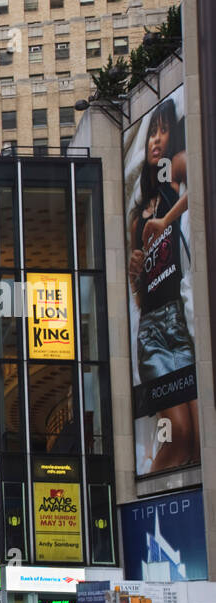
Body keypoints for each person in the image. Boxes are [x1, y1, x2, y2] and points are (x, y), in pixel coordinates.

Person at [127, 98, 196, 474]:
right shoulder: (137, 215)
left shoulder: (174, 174)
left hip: (179, 326)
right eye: (151, 132)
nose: (155, 139)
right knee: (179, 433)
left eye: (162, 129)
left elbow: (199, 173)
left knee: (198, 438)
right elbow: (138, 295)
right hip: (153, 331)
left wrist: (165, 219)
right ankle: (152, 494)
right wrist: (134, 269)